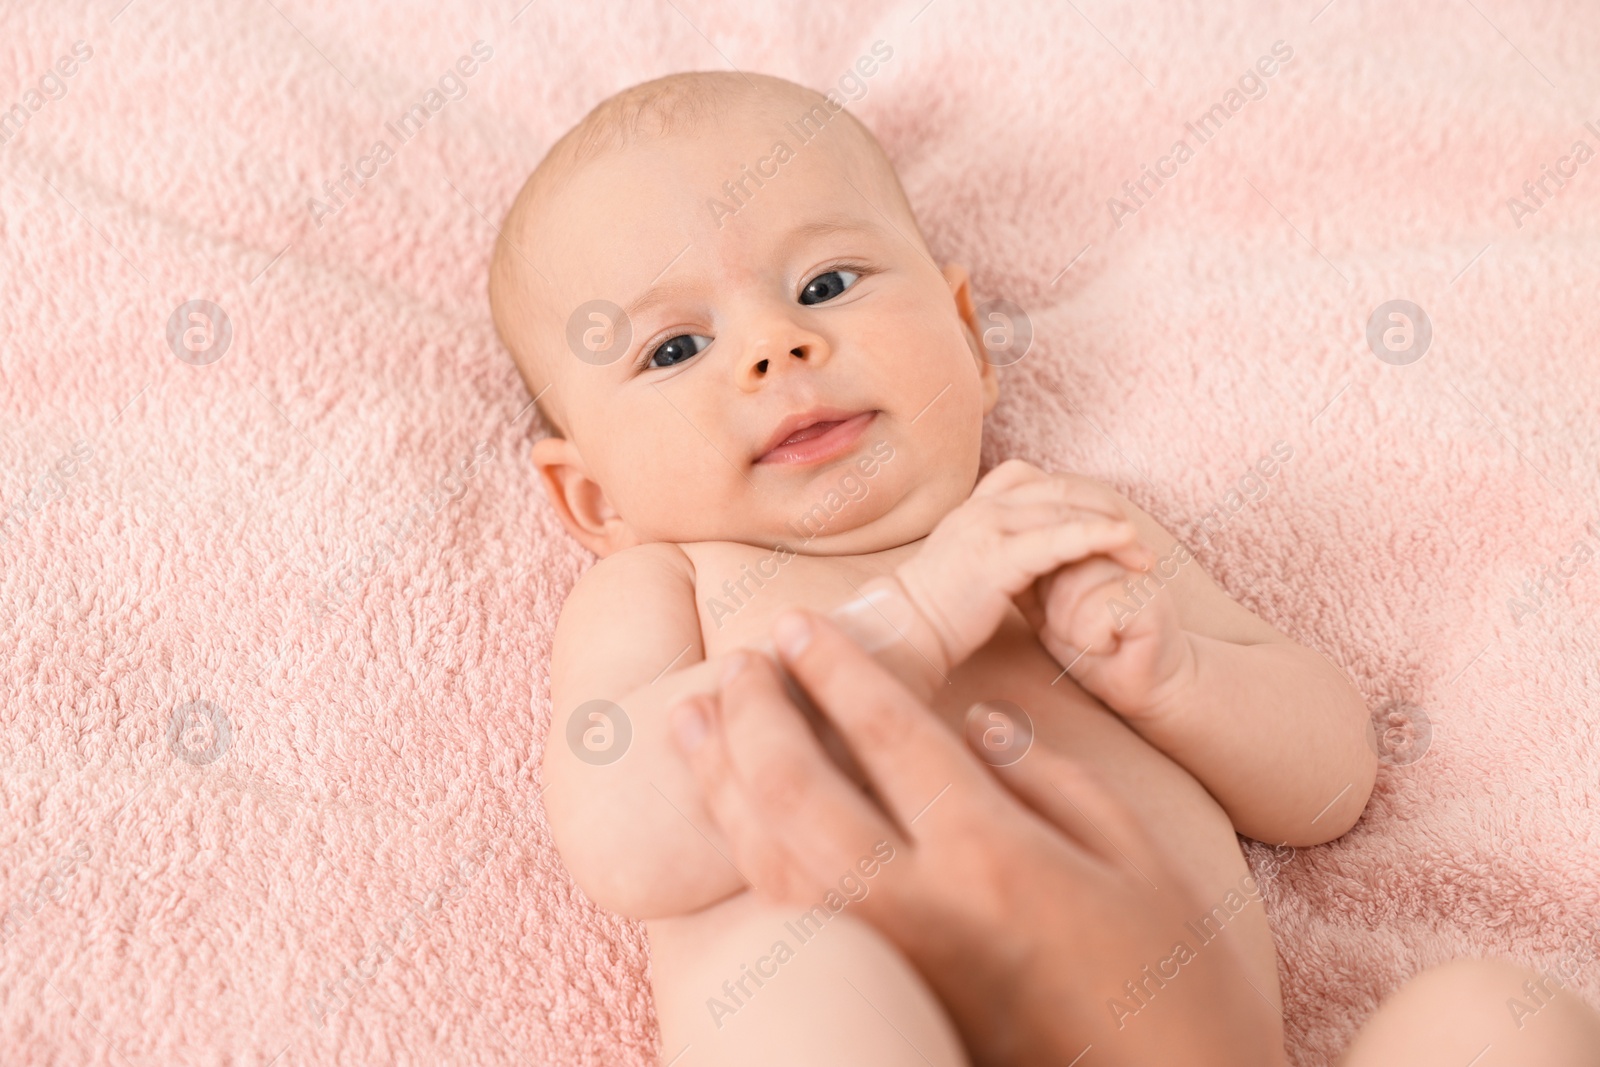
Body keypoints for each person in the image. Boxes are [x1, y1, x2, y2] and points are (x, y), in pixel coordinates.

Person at [672, 609, 1600, 1066]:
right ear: (590, 495)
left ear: (966, 337)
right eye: (673, 348)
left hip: (1197, 1030)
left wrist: (1183, 677)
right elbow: (615, 843)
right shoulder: (668, 578)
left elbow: (1329, 787)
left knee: (1486, 1020)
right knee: (796, 983)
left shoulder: (1056, 536)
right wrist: (898, 617)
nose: (771, 348)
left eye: (833, 283)